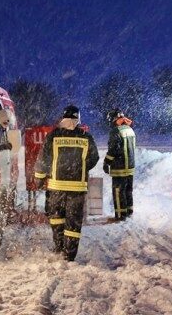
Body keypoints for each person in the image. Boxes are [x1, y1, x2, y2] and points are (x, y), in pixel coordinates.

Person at [34, 105, 99, 261]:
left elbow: (43, 160)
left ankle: (59, 246)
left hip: (56, 187)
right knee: (73, 223)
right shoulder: (86, 137)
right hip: (77, 188)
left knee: (56, 217)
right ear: (78, 119)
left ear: (63, 117)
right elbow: (94, 158)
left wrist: (39, 178)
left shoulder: (53, 136)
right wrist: (81, 168)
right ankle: (69, 254)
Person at [103, 108, 136, 221]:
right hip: (130, 167)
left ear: (113, 119)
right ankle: (129, 212)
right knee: (128, 190)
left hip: (119, 167)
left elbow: (113, 149)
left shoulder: (116, 131)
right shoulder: (130, 129)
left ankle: (120, 215)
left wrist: (106, 162)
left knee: (118, 191)